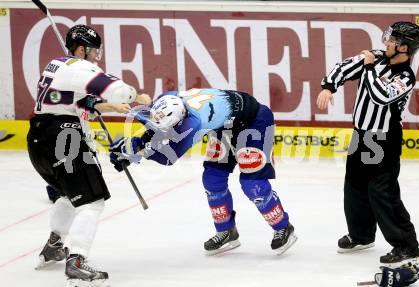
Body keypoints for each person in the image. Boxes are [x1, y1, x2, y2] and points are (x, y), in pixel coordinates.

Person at [27, 24, 151, 286]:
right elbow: (113, 87)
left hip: (38, 140)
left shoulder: (55, 66)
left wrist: (107, 106)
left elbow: (71, 100)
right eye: (94, 51)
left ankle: (54, 245)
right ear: (81, 49)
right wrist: (136, 96)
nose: (97, 57)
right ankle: (77, 262)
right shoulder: (80, 67)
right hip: (65, 138)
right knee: (91, 202)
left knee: (68, 196)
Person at [110, 88, 297, 255]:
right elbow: (157, 127)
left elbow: (169, 157)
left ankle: (284, 227)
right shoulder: (167, 99)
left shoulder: (194, 123)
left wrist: (136, 152)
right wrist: (136, 144)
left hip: (254, 122)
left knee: (252, 184)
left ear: (181, 120)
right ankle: (226, 231)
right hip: (224, 124)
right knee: (212, 179)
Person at [316, 22, 419, 265]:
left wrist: (369, 68)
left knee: (382, 192)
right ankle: (361, 235)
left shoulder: (406, 76)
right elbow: (344, 67)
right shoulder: (376, 57)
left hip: (384, 139)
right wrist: (328, 87)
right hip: (361, 135)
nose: (386, 42)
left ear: (404, 48)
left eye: (392, 40)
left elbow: (380, 95)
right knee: (354, 185)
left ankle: (407, 246)